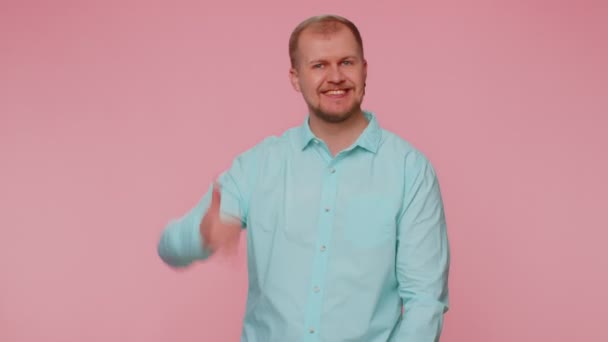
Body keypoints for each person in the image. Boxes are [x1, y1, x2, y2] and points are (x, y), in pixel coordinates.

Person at [158, 14, 450, 342]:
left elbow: (425, 301)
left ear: (365, 69)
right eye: (319, 65)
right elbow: (168, 247)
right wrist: (200, 235)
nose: (336, 77)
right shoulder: (258, 165)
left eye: (347, 62)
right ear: (295, 78)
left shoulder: (410, 170)